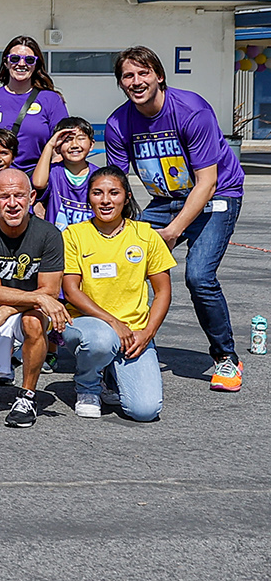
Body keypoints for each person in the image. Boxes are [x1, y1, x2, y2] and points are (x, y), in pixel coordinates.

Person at [105, 44, 245, 391]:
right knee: (119, 261)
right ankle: (118, 352)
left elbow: (207, 181)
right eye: (128, 76)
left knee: (199, 276)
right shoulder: (118, 123)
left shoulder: (191, 111)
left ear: (159, 76)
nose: (136, 81)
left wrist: (171, 232)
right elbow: (115, 184)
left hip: (216, 196)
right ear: (120, 83)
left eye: (143, 73)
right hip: (165, 199)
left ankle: (226, 357)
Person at [58, 167, 173, 421]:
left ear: (127, 197)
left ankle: (110, 374)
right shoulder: (74, 235)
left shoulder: (146, 235)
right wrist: (113, 323)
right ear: (89, 198)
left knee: (145, 411)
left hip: (134, 333)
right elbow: (71, 291)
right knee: (101, 340)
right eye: (97, 193)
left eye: (114, 193)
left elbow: (163, 291)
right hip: (89, 326)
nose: (106, 200)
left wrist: (147, 333)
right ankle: (88, 386)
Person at [0, 168, 69, 427]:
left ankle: (27, 396)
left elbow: (50, 291)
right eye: (4, 196)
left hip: (23, 313)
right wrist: (29, 300)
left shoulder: (49, 234)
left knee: (33, 321)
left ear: (31, 197)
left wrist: (7, 309)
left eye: (19, 195)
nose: (12, 203)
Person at [0, 33, 68, 172]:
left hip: (34, 180)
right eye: (15, 58)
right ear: (6, 62)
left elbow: (62, 147)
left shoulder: (51, 100)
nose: (21, 64)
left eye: (29, 60)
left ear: (36, 64)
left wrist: (47, 178)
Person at [32, 117, 98, 228]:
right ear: (57, 147)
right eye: (67, 140)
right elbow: (38, 183)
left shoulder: (99, 176)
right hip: (57, 237)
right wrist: (49, 145)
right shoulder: (53, 172)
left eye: (81, 138)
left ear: (91, 144)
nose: (74, 145)